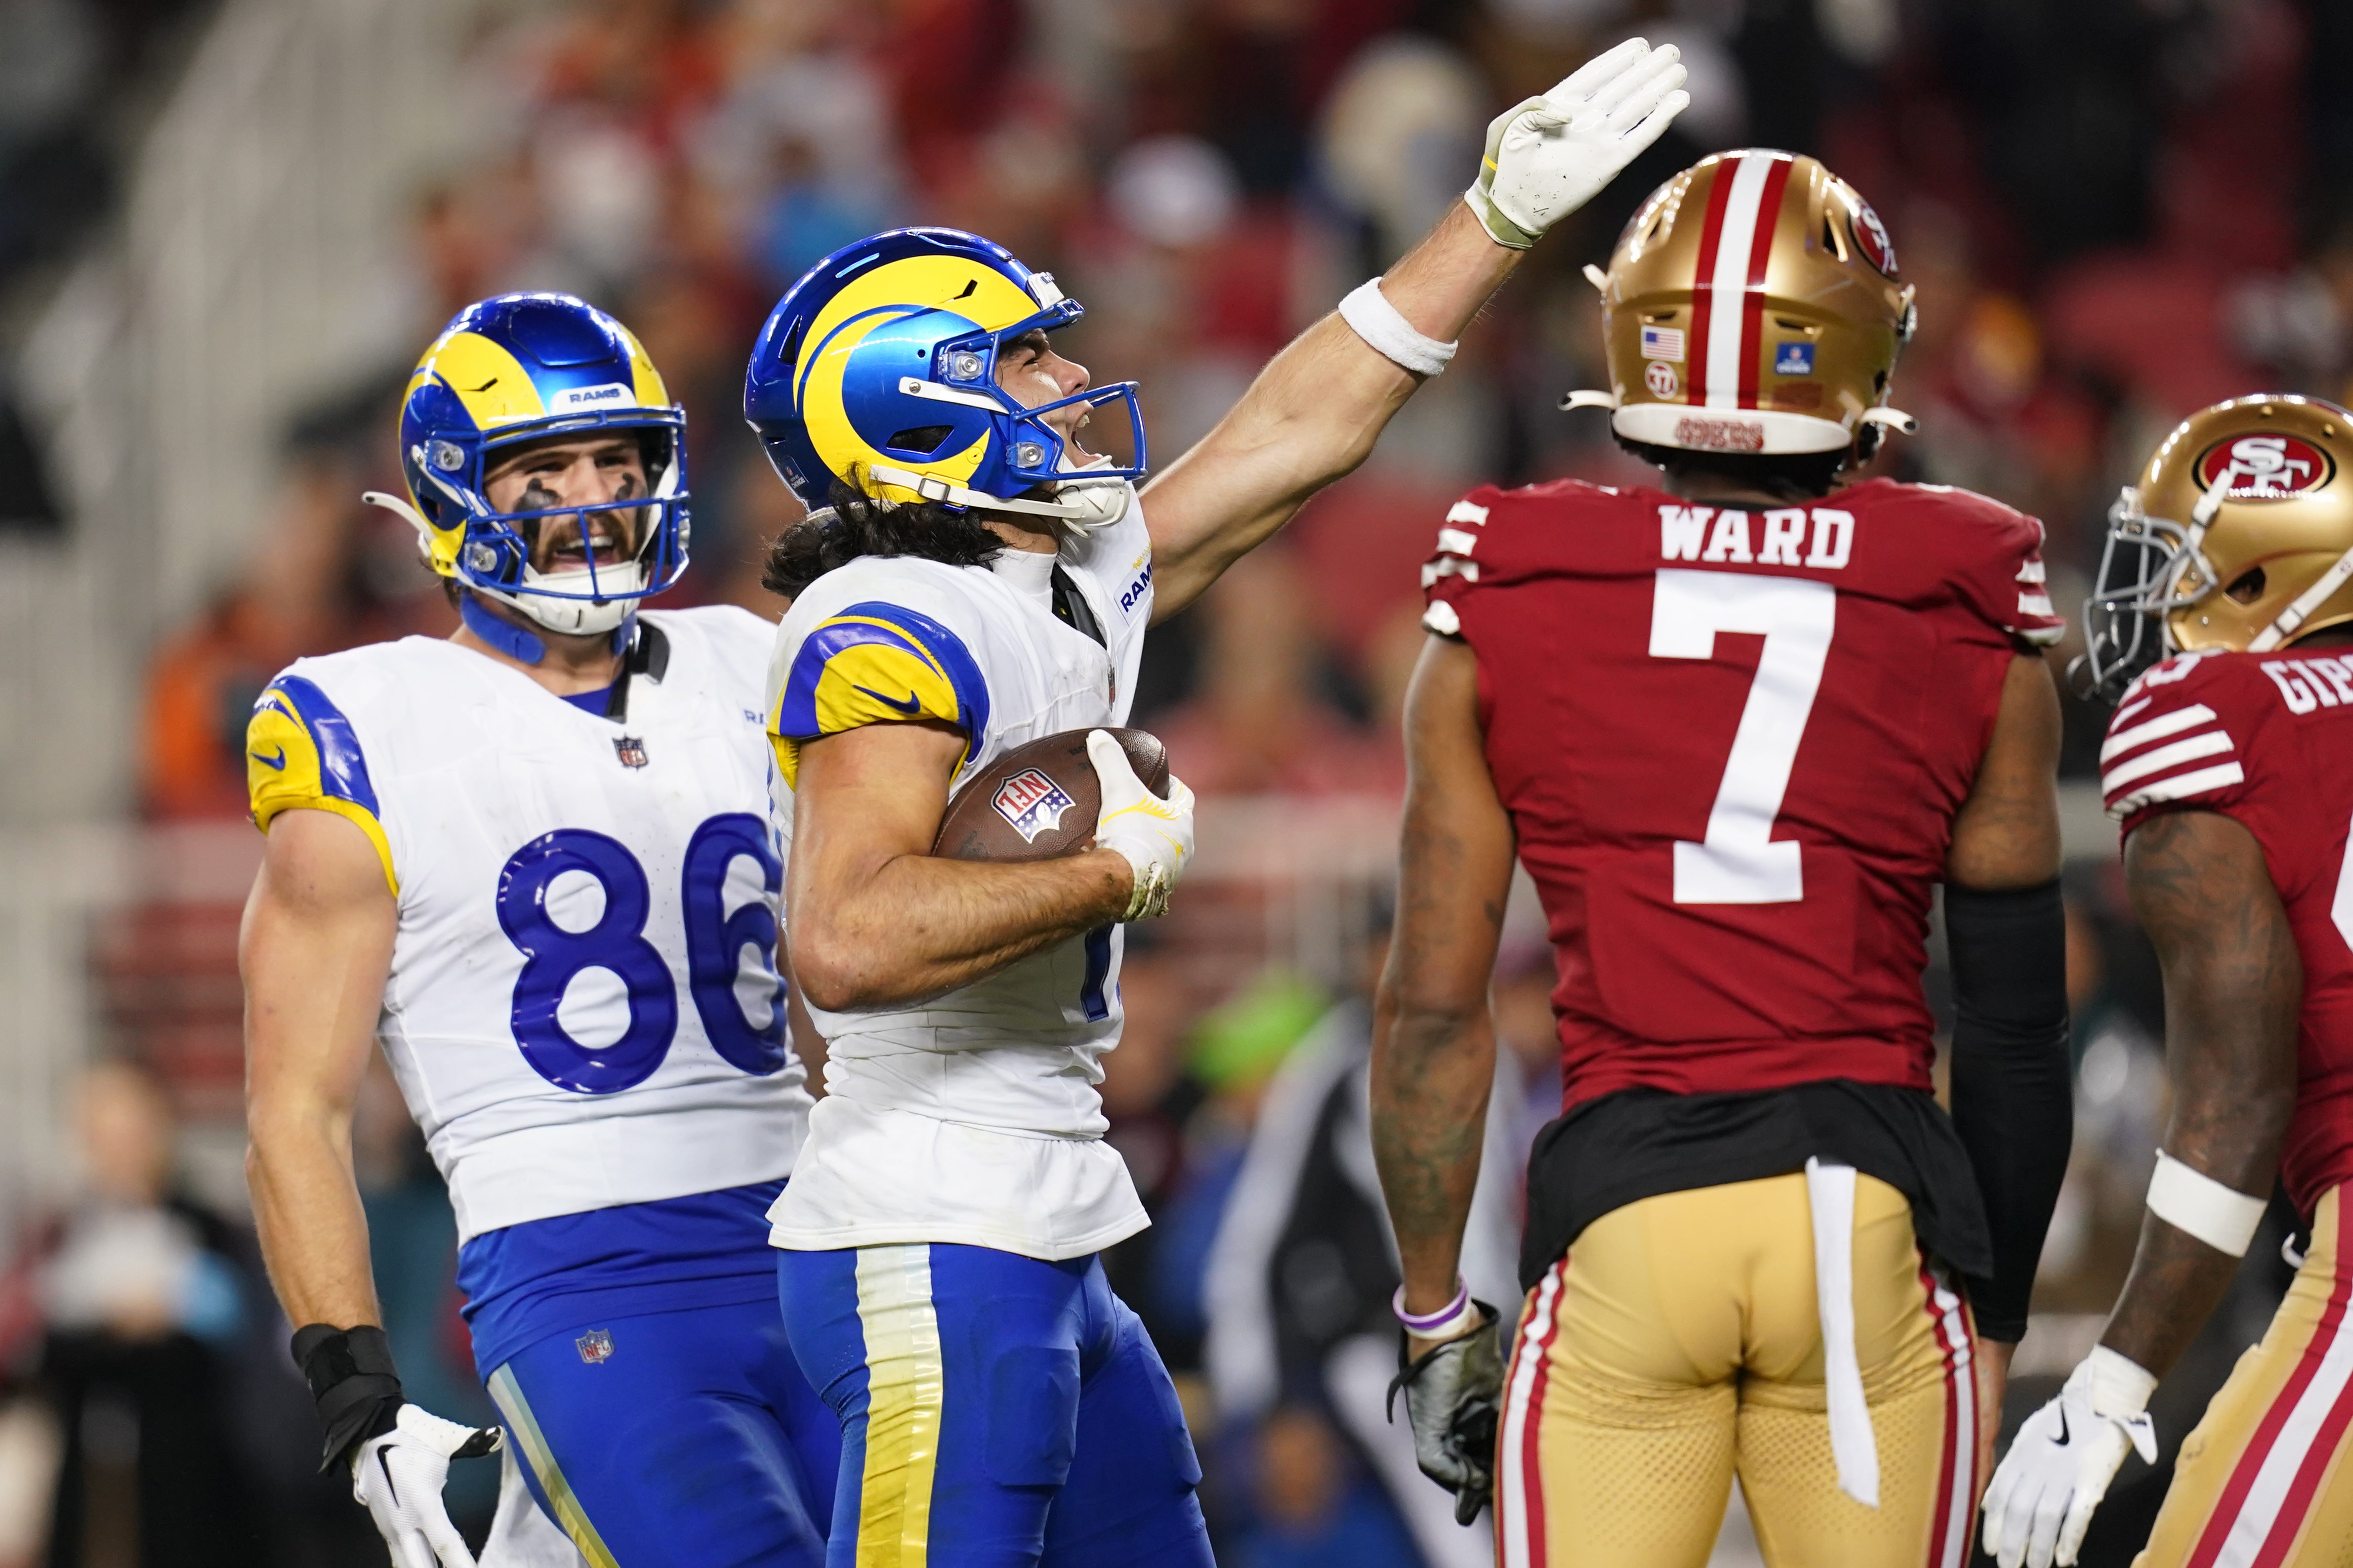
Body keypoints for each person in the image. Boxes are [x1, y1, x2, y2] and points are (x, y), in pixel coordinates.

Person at [739, 37, 1689, 1566]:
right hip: (930, 1230)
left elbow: (1289, 437)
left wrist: (1493, 220)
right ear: (909, 399)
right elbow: (844, 936)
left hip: (1044, 1214)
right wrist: (1109, 877)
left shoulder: (1041, 580)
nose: (1067, 377)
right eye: (1026, 358)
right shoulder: (888, 618)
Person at [1366, 148, 2078, 1568]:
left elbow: (1433, 1006)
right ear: (1865, 345)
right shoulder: (1968, 596)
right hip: (1870, 1224)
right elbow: (2013, 1022)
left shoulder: (1513, 582)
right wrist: (1991, 1319)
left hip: (1630, 1215)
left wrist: (1437, 1310)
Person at [239, 292, 837, 1568]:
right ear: (455, 493)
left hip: (821, 1229)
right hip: (586, 1262)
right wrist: (354, 1389)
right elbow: (295, 1109)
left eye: (619, 462)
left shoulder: (757, 660)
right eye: (546, 469)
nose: (593, 497)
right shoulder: (363, 719)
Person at [1981, 394, 2353, 1568]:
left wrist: (2114, 1379)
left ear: (2261, 581)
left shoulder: (2221, 719)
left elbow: (2238, 1102)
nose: (2146, 604)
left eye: (2177, 566)